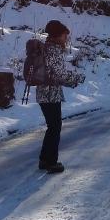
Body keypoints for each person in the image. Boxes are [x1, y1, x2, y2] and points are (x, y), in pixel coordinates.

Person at [36, 20, 85, 174]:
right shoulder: (53, 50)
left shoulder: (48, 48)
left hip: (46, 92)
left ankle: (44, 159)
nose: (66, 38)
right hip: (49, 94)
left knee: (53, 126)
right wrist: (76, 78)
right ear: (58, 35)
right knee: (55, 127)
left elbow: (56, 74)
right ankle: (51, 162)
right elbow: (59, 74)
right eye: (65, 35)